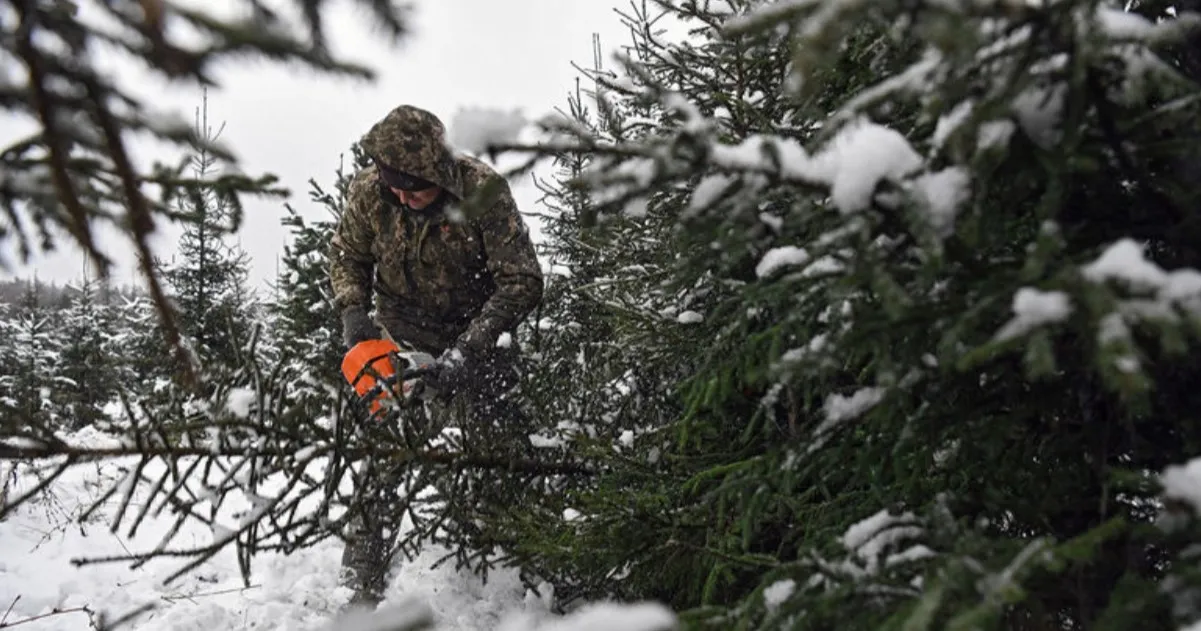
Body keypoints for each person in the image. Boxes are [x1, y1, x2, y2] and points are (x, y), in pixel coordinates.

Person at [327, 104, 544, 606]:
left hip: (480, 333)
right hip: (401, 332)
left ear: (439, 174)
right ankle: (360, 581)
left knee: (499, 450)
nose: (403, 196)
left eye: (414, 187)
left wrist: (470, 350)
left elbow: (523, 282)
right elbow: (347, 255)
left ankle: (513, 576)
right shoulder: (369, 193)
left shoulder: (482, 192)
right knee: (385, 448)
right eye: (394, 186)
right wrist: (354, 315)